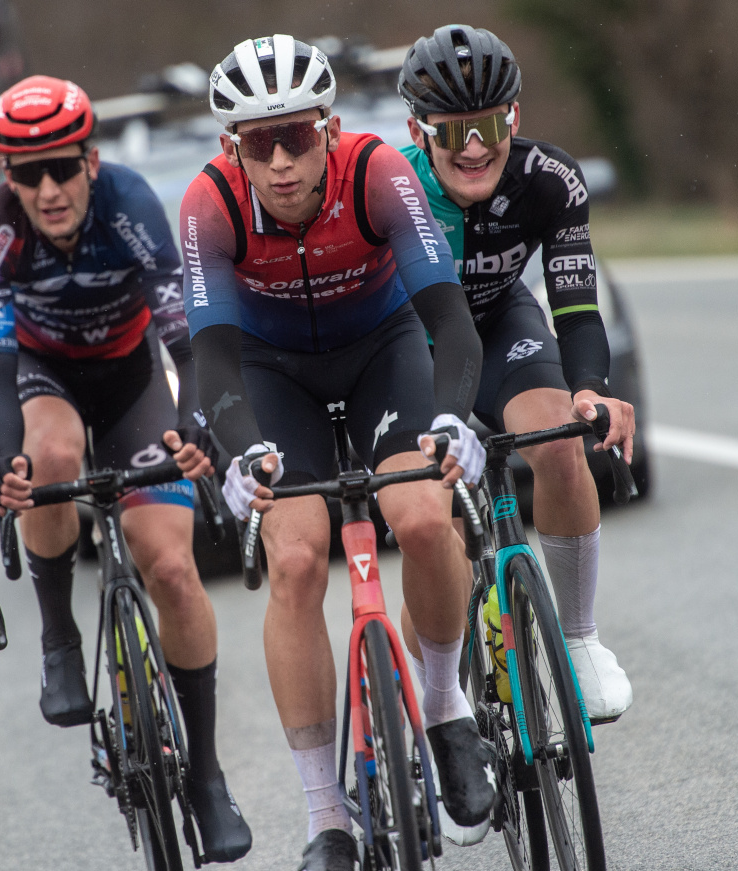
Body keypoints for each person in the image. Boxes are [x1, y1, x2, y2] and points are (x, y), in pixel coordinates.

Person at [182, 35, 496, 871]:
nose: (281, 161)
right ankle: (326, 815)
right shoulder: (210, 204)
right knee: (293, 561)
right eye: (259, 142)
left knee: (426, 516)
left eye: (297, 137)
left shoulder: (378, 172)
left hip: (381, 347)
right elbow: (211, 359)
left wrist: (455, 419)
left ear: (329, 127)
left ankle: (443, 705)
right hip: (269, 369)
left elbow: (449, 319)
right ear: (230, 148)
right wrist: (243, 453)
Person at [0, 74, 252, 862]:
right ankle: (58, 633)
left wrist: (199, 421)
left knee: (173, 567)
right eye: (27, 175)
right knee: (47, 455)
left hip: (131, 379)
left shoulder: (132, 204)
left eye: (61, 168)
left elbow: (185, 337)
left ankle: (206, 772)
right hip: (43, 379)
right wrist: (3, 457)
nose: (48, 190)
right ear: (7, 179)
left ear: (91, 161)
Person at [397, 25, 634, 724]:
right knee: (432, 525)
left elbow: (579, 306)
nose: (476, 146)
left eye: (493, 123)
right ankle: (433, 710)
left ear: (517, 117)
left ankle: (581, 640)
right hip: (413, 346)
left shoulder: (549, 179)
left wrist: (589, 387)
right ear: (418, 129)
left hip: (502, 326)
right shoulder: (389, 186)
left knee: (560, 439)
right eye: (453, 132)